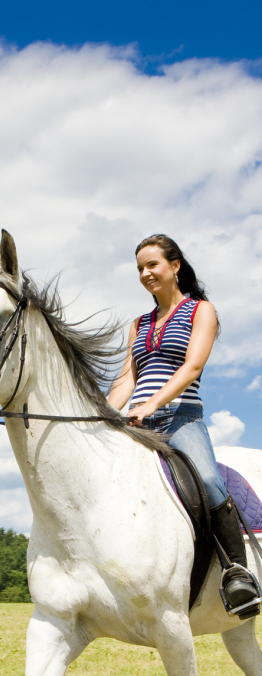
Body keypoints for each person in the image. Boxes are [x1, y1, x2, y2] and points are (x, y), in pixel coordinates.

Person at [108, 234, 260, 619]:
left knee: (208, 480)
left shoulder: (201, 311)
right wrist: (104, 413)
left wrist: (153, 403)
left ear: (174, 266)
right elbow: (126, 379)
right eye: (140, 268)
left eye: (152, 265)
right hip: (139, 423)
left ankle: (237, 573)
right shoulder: (138, 324)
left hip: (181, 419)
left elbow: (192, 366)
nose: (145, 273)